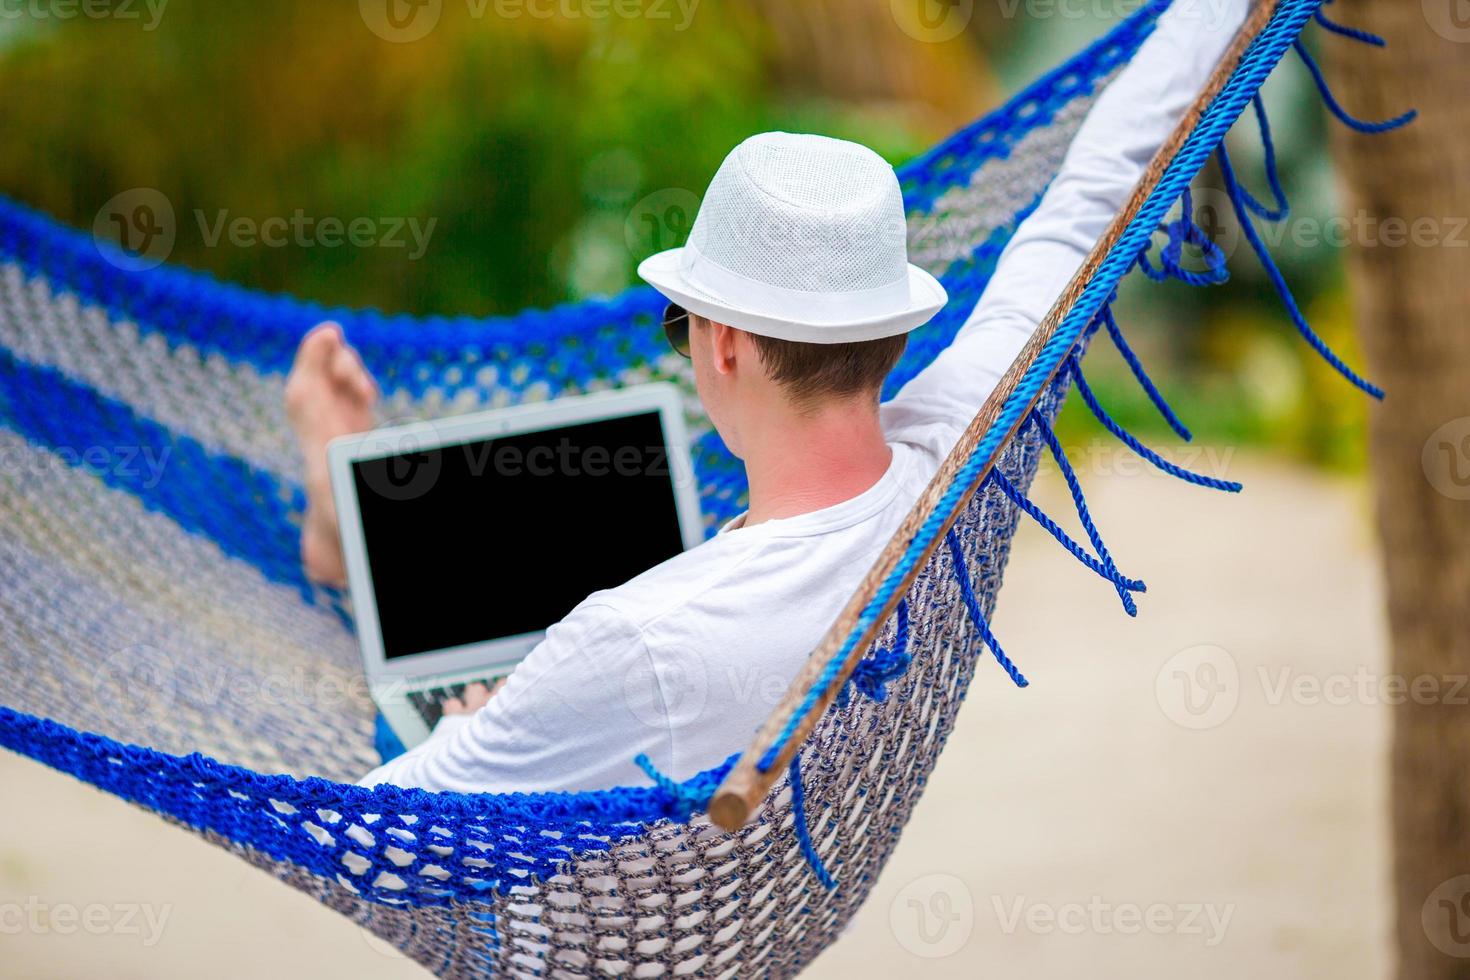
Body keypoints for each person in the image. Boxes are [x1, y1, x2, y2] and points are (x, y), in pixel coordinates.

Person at [281, 0, 1246, 794]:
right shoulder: (968, 453)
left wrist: (487, 721)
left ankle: (346, 525)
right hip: (707, 693)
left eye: (684, 322)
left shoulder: (628, 639)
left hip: (567, 861)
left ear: (728, 344)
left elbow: (375, 822)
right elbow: (1087, 201)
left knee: (439, 673)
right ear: (897, 334)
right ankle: (352, 522)